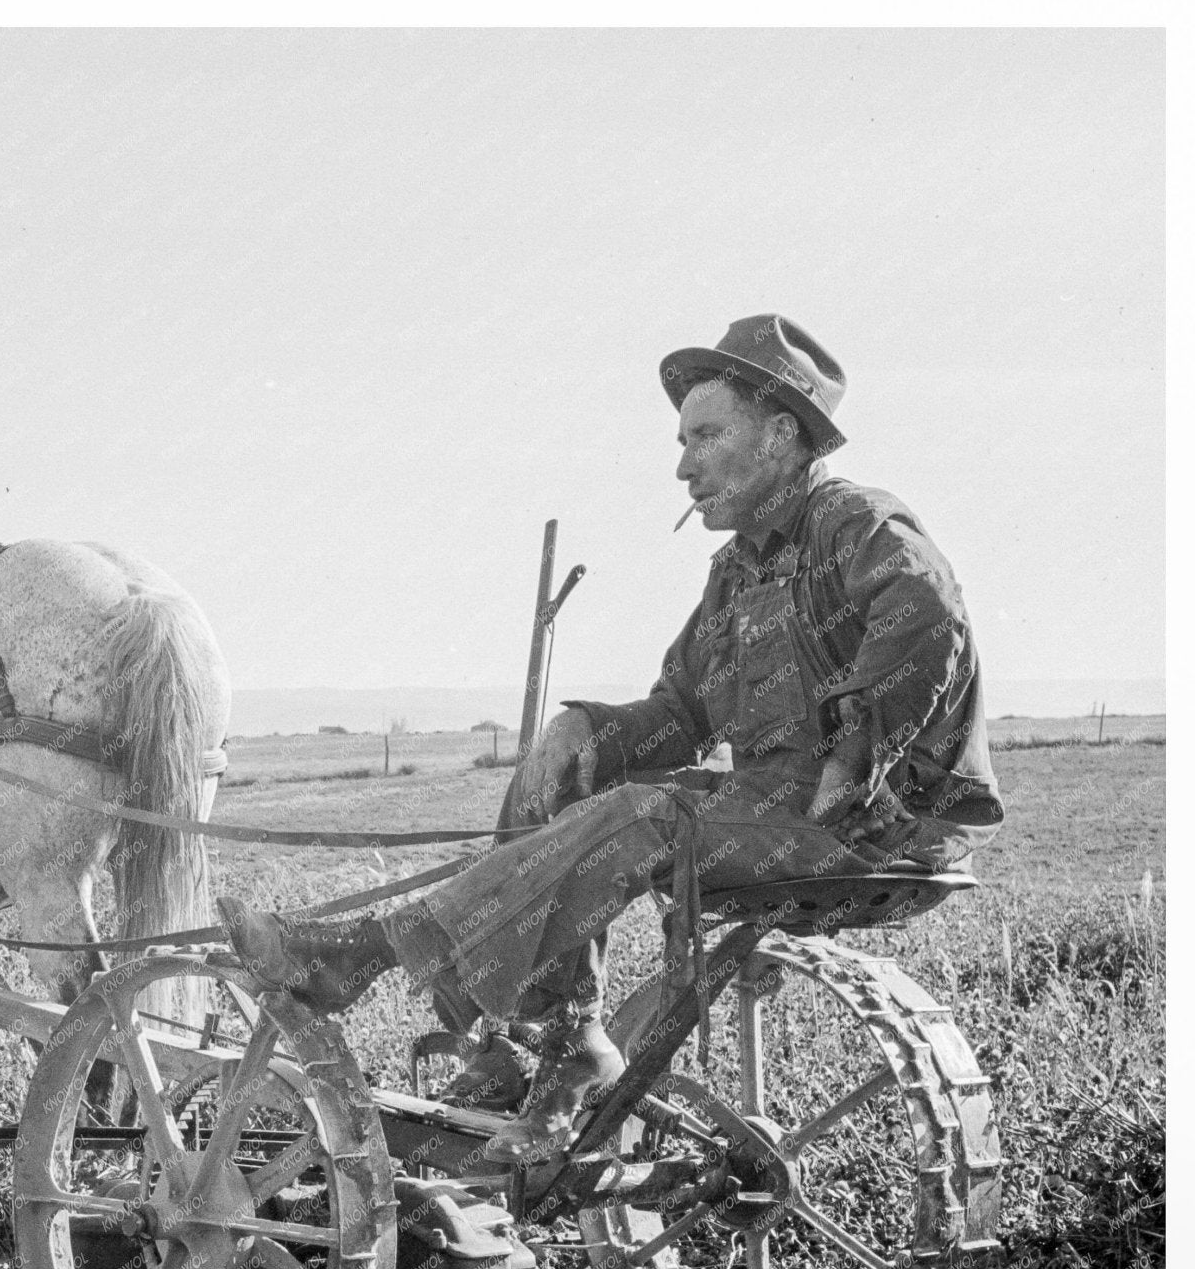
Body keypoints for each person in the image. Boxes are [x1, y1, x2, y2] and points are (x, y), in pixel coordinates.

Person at [220, 314, 1002, 1161]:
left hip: (875, 824)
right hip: (781, 813)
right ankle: (560, 1047)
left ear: (782, 434)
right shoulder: (738, 573)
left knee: (643, 817)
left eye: (707, 434)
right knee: (559, 781)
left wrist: (859, 752)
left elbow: (928, 611)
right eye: (681, 439)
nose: (683, 464)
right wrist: (586, 729)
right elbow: (681, 715)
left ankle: (358, 956)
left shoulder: (855, 523)